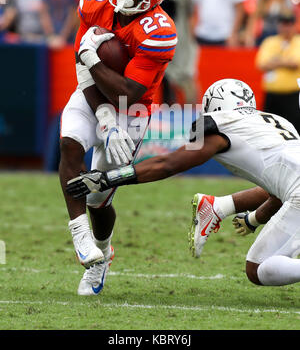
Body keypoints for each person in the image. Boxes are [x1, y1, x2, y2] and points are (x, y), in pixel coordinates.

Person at [67, 78, 300, 288]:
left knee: (257, 268)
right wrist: (253, 218)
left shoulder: (220, 123)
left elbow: (168, 164)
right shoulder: (278, 123)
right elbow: (280, 188)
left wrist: (107, 179)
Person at [60, 0, 177, 296]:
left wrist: (93, 59)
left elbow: (129, 89)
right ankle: (80, 235)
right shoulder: (95, 0)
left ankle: (103, 249)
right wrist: (103, 116)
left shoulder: (159, 31)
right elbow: (83, 69)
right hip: (93, 92)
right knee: (69, 145)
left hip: (133, 109)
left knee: (99, 198)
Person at [256, 11, 300, 134]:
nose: (286, 28)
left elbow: (295, 63)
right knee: (270, 130)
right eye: (283, 24)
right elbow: (261, 64)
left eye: (289, 24)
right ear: (279, 26)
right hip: (272, 95)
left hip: (293, 95)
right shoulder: (270, 41)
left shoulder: (298, 41)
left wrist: (275, 61)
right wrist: (286, 61)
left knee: (295, 129)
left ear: (294, 25)